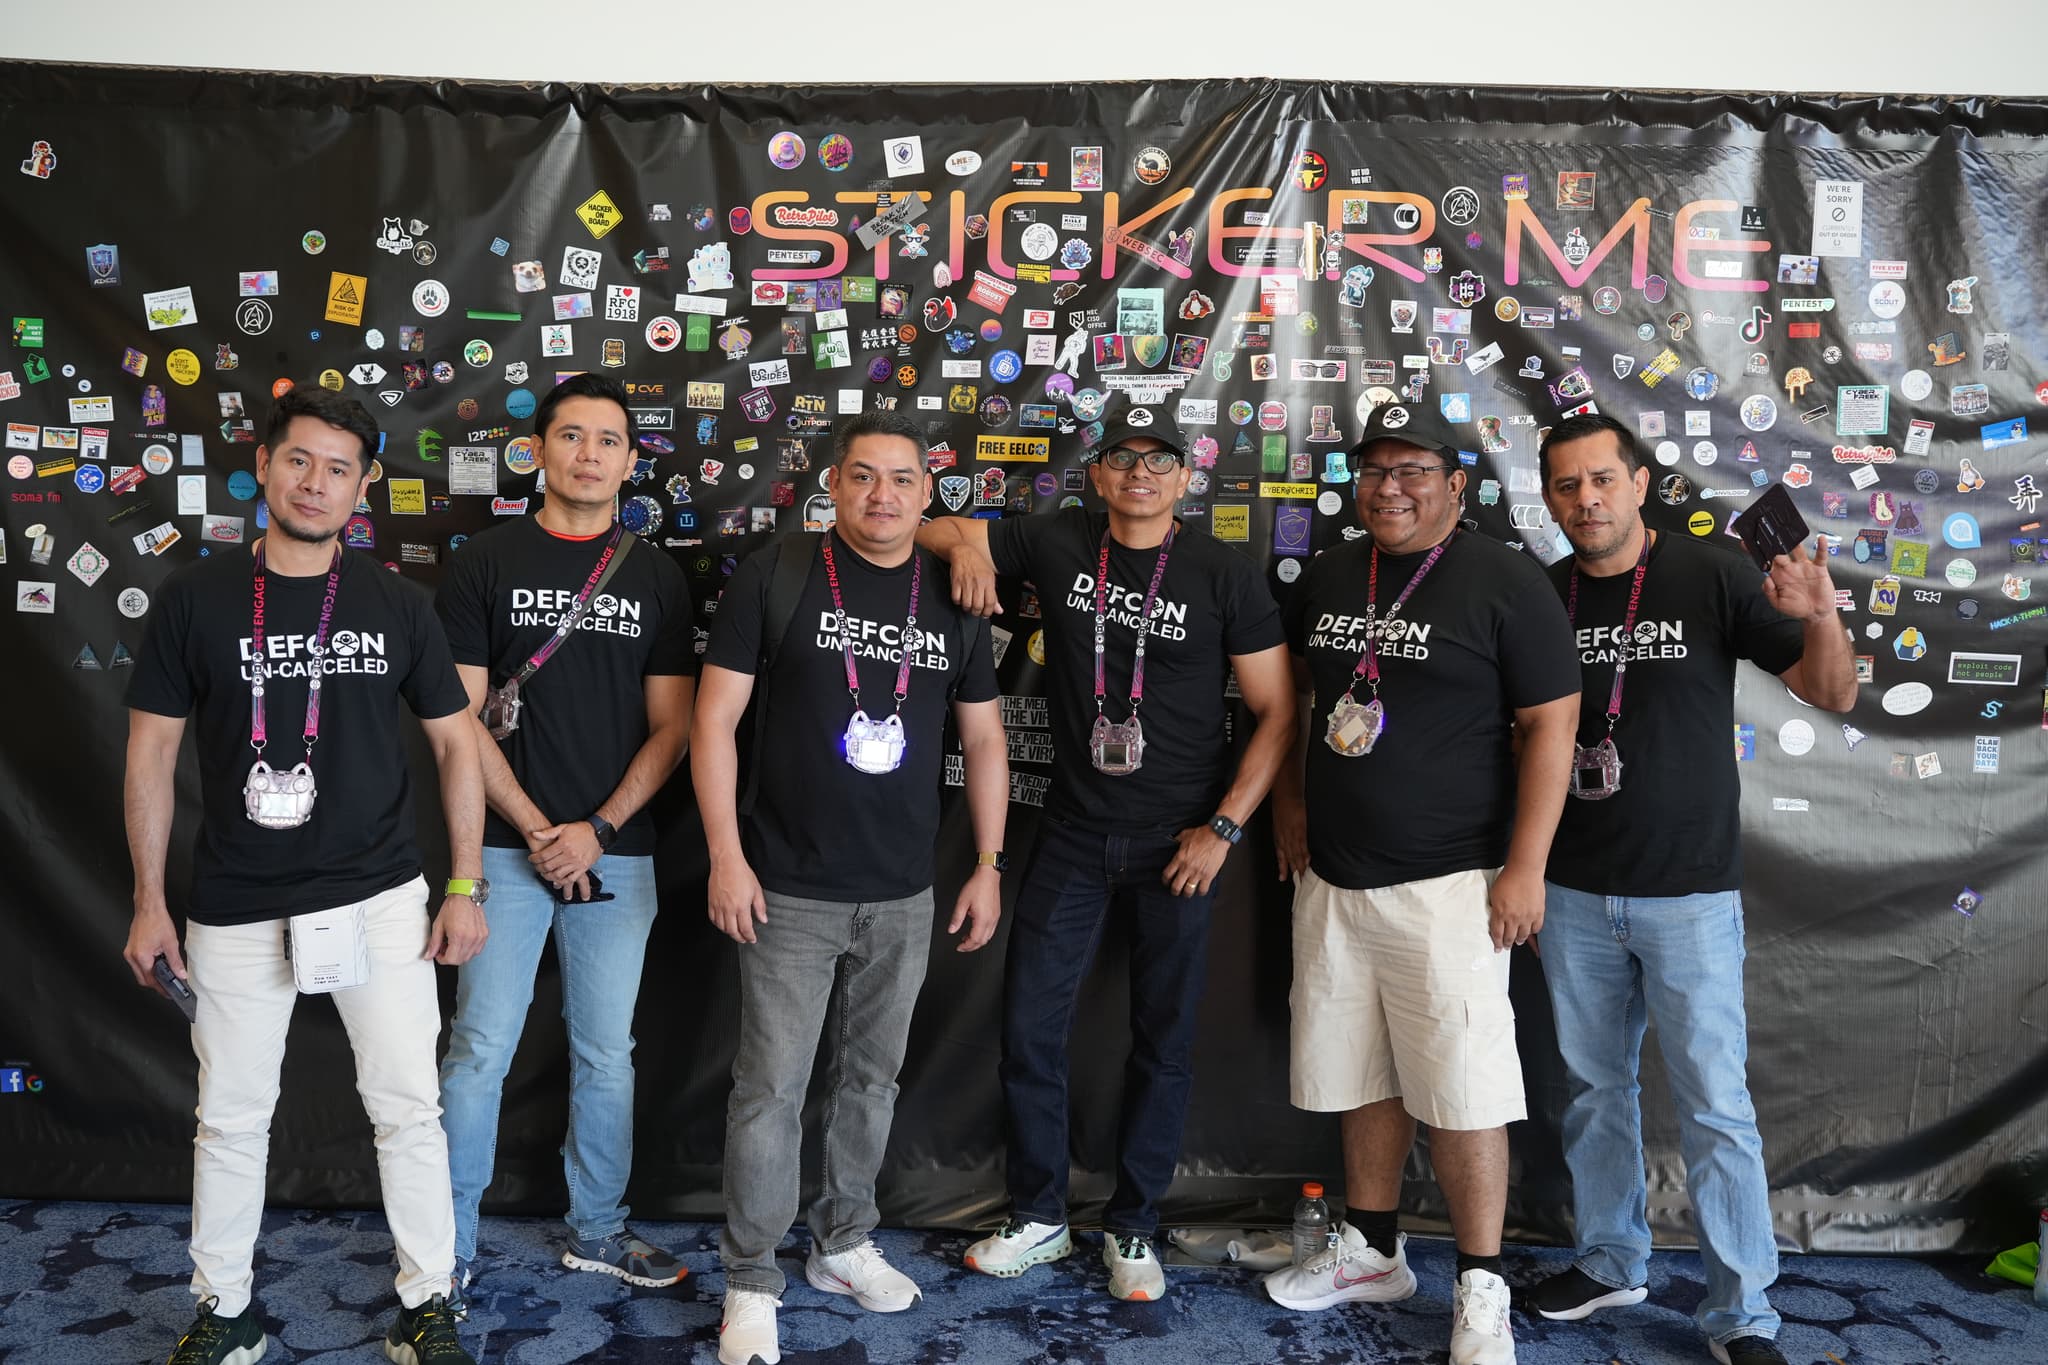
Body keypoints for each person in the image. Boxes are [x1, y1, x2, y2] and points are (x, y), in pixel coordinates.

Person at [121, 386, 486, 1365]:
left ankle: (426, 1307)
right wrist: (151, 903)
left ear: (362, 487)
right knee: (231, 1119)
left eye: (337, 468)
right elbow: (150, 755)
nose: (315, 483)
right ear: (265, 467)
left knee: (408, 1109)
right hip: (235, 906)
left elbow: (457, 748)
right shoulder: (195, 600)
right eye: (299, 461)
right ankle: (225, 1313)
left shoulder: (398, 606)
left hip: (377, 902)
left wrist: (462, 886)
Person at [920, 404, 1298, 1303]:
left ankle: (1134, 1224)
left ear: (1183, 476)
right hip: (1075, 831)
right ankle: (1041, 1213)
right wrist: (970, 548)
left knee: (1163, 1042)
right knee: (1029, 1028)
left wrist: (1226, 828)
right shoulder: (1056, 539)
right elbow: (932, 522)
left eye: (1157, 460)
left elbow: (1280, 710)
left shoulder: (1222, 572)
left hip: (1182, 841)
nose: (1139, 473)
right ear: (1096, 476)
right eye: (1121, 458)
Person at [1523, 412, 1856, 1365]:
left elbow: (1830, 693)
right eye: (1565, 486)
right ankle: (1611, 1254)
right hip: (1574, 891)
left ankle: (1742, 1313)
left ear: (1638, 482)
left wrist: (1821, 610)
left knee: (1715, 1103)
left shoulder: (1711, 572)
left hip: (1690, 892)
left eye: (1601, 480)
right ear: (1548, 497)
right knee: (1592, 1088)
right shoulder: (1541, 595)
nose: (1585, 500)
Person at [1264, 402, 1581, 1365]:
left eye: (1411, 471)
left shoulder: (1505, 580)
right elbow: (1299, 699)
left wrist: (1525, 866)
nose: (1389, 489)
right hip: (1337, 877)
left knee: (1465, 1087)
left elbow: (1553, 727)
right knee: (1362, 1067)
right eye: (1374, 471)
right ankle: (1372, 1247)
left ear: (1455, 481)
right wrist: (1288, 804)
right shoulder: (1327, 572)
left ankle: (1481, 1283)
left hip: (1454, 883)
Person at [694, 410, 1009, 1365]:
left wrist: (988, 866)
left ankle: (842, 1240)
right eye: (863, 476)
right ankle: (751, 1277)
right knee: (769, 1093)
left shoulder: (953, 590)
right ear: (832, 484)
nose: (882, 496)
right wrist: (725, 854)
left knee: (871, 1081)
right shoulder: (779, 572)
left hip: (904, 892)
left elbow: (987, 737)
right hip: (785, 886)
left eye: (902, 480)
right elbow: (713, 725)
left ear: (927, 490)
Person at [434, 373, 698, 1310]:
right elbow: (459, 719)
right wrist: (543, 830)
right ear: (537, 449)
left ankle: (596, 1230)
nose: (590, 455)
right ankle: (448, 1242)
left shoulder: (658, 574)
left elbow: (675, 728)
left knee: (607, 1053)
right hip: (505, 850)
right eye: (572, 436)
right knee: (477, 1048)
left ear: (630, 459)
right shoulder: (482, 562)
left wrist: (597, 828)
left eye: (609, 440)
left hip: (616, 851)